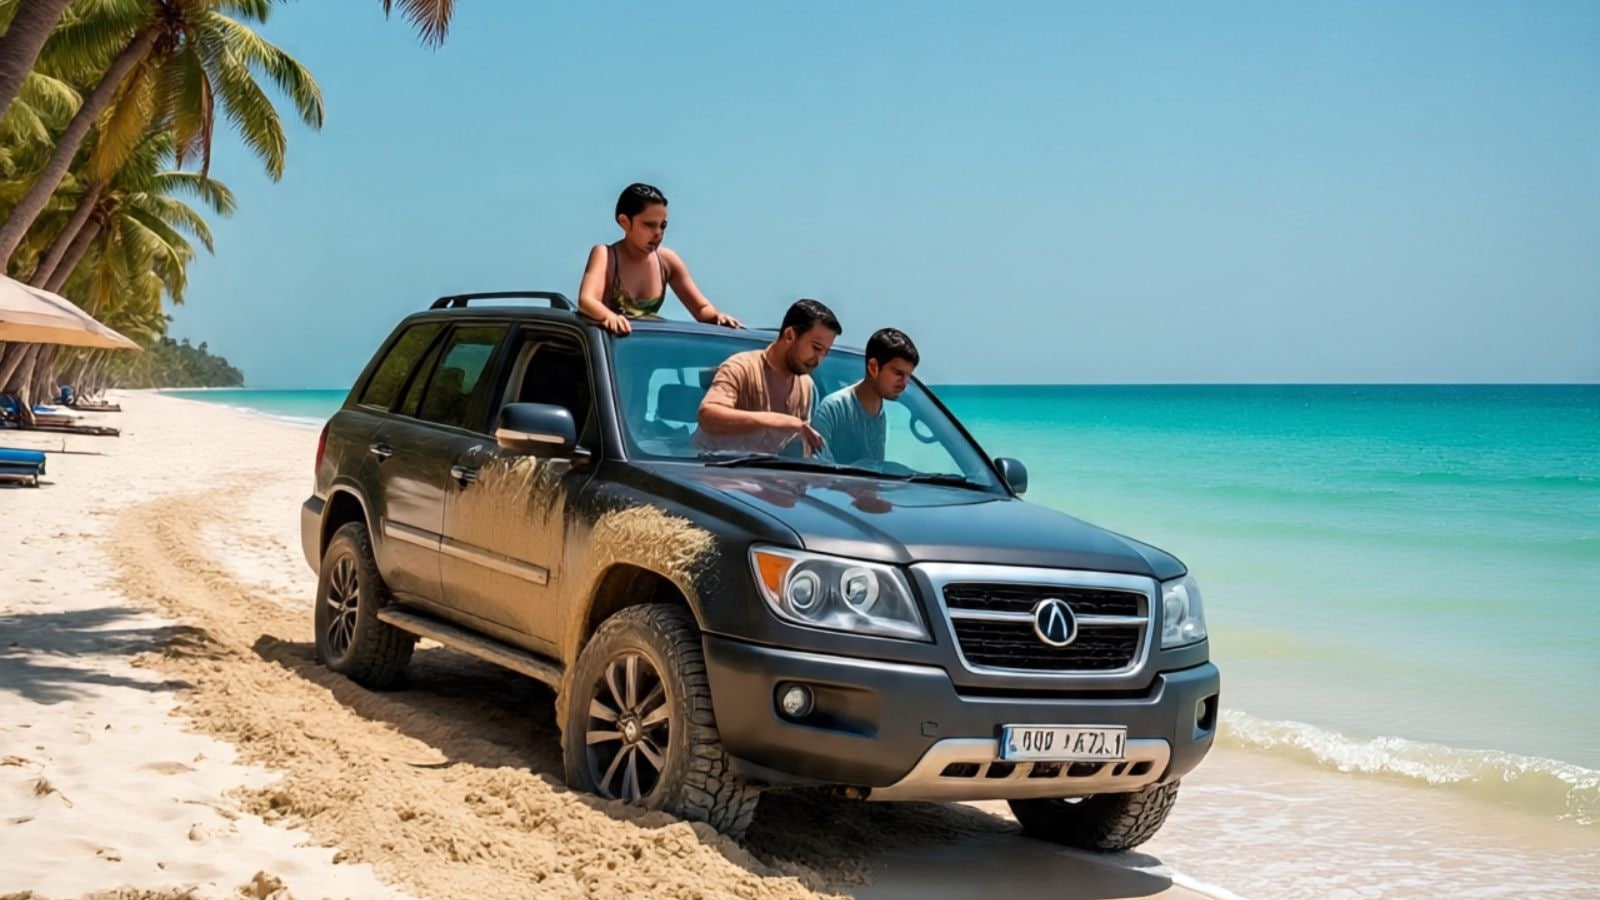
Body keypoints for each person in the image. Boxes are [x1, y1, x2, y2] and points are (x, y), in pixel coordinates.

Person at [577, 183, 743, 335]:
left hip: (646, 346)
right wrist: (609, 317)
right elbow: (587, 300)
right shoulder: (606, 256)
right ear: (625, 222)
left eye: (662, 225)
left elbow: (700, 308)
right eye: (649, 225)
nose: (658, 233)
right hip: (610, 351)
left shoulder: (667, 261)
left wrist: (716, 317)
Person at [695, 298, 841, 456]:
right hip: (709, 469)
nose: (818, 360)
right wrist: (785, 422)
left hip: (766, 476)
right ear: (790, 335)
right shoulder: (741, 367)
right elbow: (708, 416)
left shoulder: (806, 386)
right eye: (816, 348)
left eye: (825, 353)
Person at [814, 327, 919, 466]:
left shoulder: (879, 412)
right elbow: (816, 468)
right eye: (898, 374)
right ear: (873, 367)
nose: (904, 383)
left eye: (908, 376)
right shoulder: (833, 408)